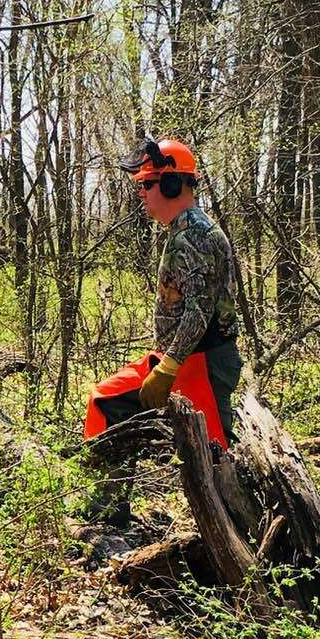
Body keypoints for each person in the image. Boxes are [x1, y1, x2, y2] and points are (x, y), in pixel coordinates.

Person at [83, 136, 243, 522]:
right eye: (139, 184)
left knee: (218, 461)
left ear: (173, 184)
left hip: (200, 363)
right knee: (108, 401)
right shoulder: (185, 230)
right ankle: (108, 509)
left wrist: (168, 367)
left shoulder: (194, 235)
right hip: (185, 359)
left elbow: (199, 310)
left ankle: (249, 538)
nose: (141, 193)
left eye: (146, 184)